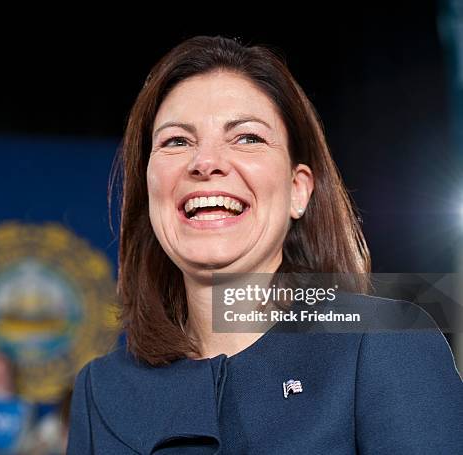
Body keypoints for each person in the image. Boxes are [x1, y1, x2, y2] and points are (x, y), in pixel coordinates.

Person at [67, 35, 463, 453]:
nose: (205, 162)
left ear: (298, 190)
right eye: (176, 142)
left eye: (247, 138)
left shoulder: (386, 342)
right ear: (148, 190)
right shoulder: (101, 392)